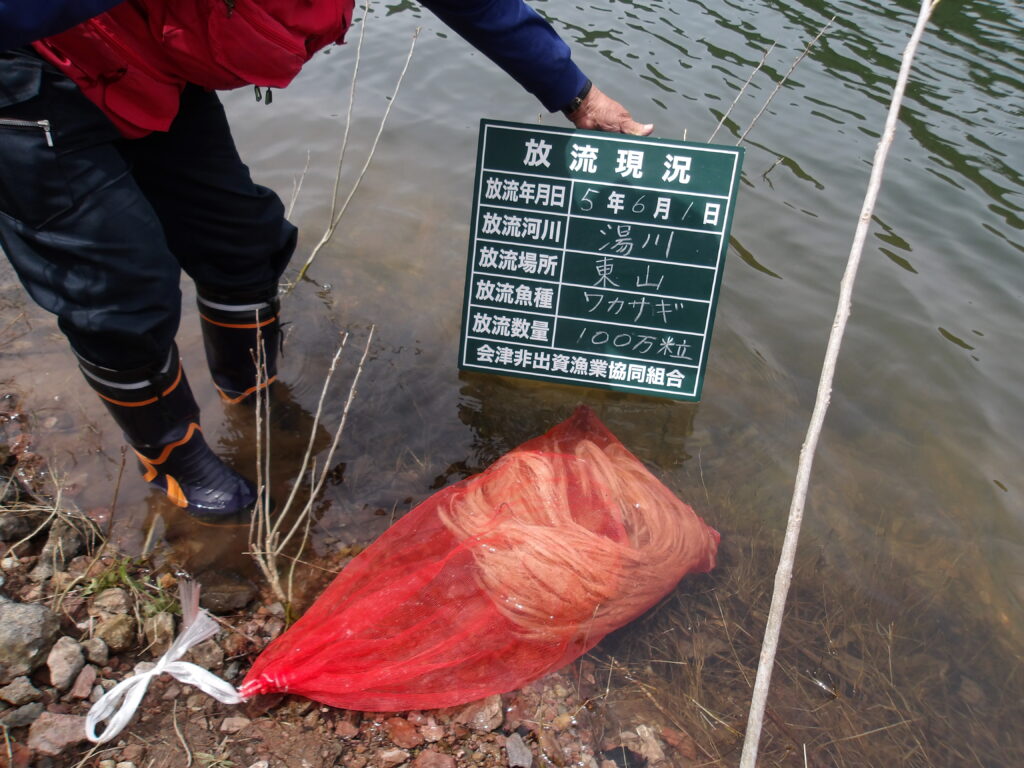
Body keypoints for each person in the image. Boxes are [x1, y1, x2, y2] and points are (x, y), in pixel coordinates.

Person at [0, 0, 654, 524]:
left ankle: (252, 391)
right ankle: (170, 453)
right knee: (118, 288)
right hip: (30, 70)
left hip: (150, 52)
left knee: (244, 239)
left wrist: (574, 92)